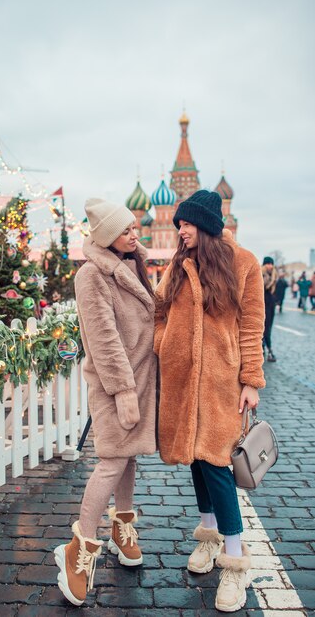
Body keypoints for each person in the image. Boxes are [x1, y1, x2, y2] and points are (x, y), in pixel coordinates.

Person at [154, 190, 265, 613]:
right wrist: (163, 343)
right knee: (196, 460)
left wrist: (250, 380)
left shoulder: (243, 263)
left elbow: (252, 324)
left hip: (221, 381)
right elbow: (159, 309)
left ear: (206, 224)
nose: (180, 229)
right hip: (182, 378)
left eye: (187, 223)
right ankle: (208, 534)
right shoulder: (180, 264)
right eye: (179, 223)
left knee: (218, 464)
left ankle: (235, 561)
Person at [54, 198, 157, 606]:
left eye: (135, 228)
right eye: (127, 230)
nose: (135, 234)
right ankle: (79, 547)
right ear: (107, 236)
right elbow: (102, 338)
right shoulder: (91, 275)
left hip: (142, 377)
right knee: (111, 459)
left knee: (129, 456)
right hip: (118, 383)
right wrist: (122, 390)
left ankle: (123, 526)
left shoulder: (134, 265)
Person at [262, 257, 278, 362]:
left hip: (270, 305)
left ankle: (265, 347)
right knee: (263, 328)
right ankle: (268, 349)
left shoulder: (274, 276)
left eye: (271, 264)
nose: (270, 266)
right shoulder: (260, 275)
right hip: (262, 304)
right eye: (267, 263)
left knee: (268, 328)